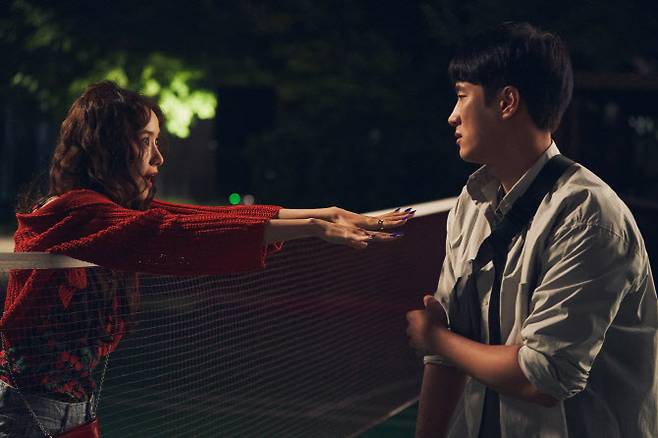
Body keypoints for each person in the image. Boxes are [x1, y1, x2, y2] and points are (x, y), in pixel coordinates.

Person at [0, 81, 413, 437]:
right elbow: (175, 233)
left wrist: (325, 214)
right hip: (29, 415)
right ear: (108, 147)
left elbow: (196, 217)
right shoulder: (72, 214)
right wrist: (313, 228)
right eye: (145, 141)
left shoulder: (103, 210)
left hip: (74, 411)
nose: (158, 157)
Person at [406, 22, 657, 438]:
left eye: (462, 96)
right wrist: (441, 344)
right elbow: (446, 356)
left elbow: (543, 376)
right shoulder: (472, 203)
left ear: (507, 102)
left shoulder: (588, 216)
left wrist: (436, 339)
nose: (452, 115)